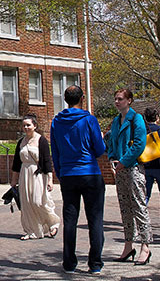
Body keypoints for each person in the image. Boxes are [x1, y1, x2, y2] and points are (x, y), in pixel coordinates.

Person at [50, 85, 107, 274]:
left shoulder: (56, 121)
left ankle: (69, 263)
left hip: (68, 174)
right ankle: (95, 264)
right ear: (82, 97)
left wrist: (60, 172)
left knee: (70, 220)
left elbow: (55, 151)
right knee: (95, 219)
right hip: (90, 172)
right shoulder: (89, 120)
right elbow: (99, 150)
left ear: (65, 99)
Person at [107, 88, 152, 265]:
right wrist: (112, 158)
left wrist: (124, 161)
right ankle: (128, 245)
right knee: (125, 208)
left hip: (133, 169)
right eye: (115, 99)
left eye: (120, 99)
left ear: (129, 100)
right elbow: (111, 142)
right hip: (120, 170)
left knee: (139, 206)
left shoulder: (136, 119)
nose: (117, 102)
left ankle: (145, 245)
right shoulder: (117, 121)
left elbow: (139, 144)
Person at [11, 114, 59, 240]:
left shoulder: (41, 140)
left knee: (38, 201)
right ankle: (32, 230)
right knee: (26, 204)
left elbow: (47, 161)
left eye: (28, 125)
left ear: (35, 126)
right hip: (24, 173)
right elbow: (16, 163)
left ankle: (52, 223)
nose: (26, 127)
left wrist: (50, 180)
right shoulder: (21, 142)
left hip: (38, 174)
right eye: (24, 125)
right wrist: (13, 180)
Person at [143, 107, 160, 205]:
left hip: (146, 164)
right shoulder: (159, 130)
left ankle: (143, 215)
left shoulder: (142, 131)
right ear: (157, 117)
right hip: (158, 165)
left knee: (145, 194)